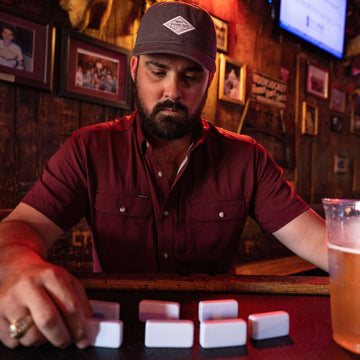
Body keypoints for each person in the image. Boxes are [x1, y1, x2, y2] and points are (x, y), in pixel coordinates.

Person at [0, 1, 327, 350]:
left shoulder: (248, 158)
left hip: (216, 339)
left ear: (210, 80)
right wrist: (16, 265)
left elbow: (323, 244)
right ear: (135, 67)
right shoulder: (88, 148)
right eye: (158, 71)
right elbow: (24, 227)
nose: (172, 91)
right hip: (116, 338)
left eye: (190, 76)